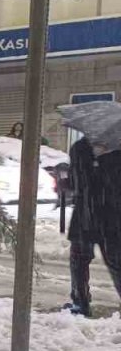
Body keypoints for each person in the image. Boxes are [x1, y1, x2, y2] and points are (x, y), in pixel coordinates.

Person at [66, 136, 121, 317]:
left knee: (80, 261)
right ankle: (80, 301)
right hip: (108, 217)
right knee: (110, 262)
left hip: (88, 215)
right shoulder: (82, 149)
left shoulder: (80, 148)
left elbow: (76, 183)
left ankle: (80, 302)